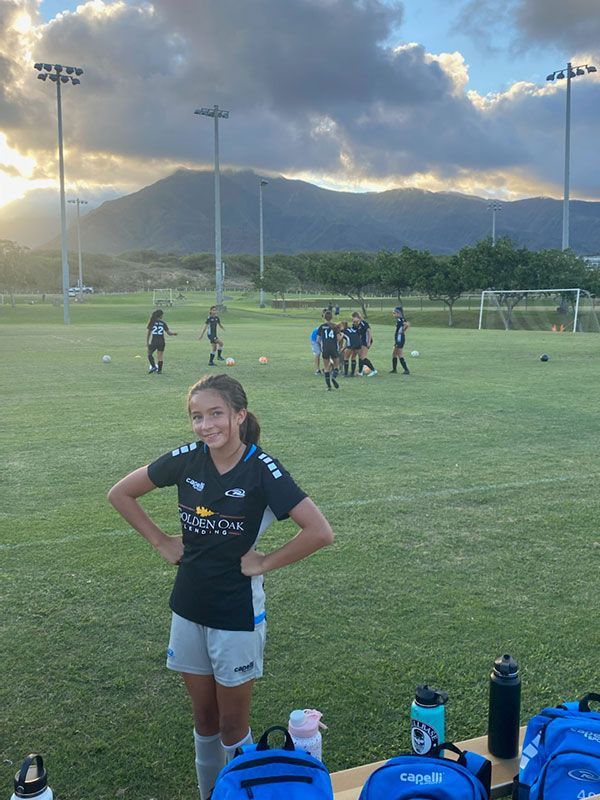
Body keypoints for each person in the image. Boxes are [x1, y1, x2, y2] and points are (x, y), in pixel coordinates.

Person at [107, 374, 333, 800]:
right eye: (197, 416)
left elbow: (319, 531)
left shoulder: (262, 468)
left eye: (215, 414)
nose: (205, 425)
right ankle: (210, 794)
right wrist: (161, 540)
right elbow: (120, 493)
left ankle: (238, 793)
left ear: (238, 416)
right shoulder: (188, 458)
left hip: (235, 614)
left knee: (232, 725)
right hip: (188, 606)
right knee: (204, 719)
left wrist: (264, 561)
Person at [147, 308, 177, 373]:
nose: (163, 316)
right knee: (160, 356)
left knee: (149, 354)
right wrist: (174, 333)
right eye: (162, 315)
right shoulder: (163, 323)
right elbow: (169, 333)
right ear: (160, 315)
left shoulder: (152, 322)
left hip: (154, 341)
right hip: (161, 342)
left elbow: (149, 333)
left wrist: (147, 342)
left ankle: (154, 366)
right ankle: (159, 371)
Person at [317, 311, 341, 390]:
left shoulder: (321, 327)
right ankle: (333, 377)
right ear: (332, 317)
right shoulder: (335, 326)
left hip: (325, 348)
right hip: (334, 348)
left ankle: (329, 387)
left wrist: (321, 346)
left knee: (326, 368)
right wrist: (342, 336)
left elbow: (318, 340)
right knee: (336, 366)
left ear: (324, 317)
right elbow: (338, 339)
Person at [351, 311, 377, 377]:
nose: (353, 319)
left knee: (362, 357)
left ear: (357, 317)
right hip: (361, 341)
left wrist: (368, 342)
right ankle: (361, 371)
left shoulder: (363, 323)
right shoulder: (354, 324)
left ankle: (373, 370)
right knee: (361, 356)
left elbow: (369, 332)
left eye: (353, 318)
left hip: (366, 341)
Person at [390, 306, 411, 374]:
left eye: (394, 313)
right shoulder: (401, 319)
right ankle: (394, 369)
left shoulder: (400, 320)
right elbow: (406, 324)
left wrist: (403, 329)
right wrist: (403, 329)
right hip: (398, 338)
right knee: (394, 354)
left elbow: (407, 324)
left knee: (399, 354)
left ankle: (406, 370)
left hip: (400, 339)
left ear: (399, 313)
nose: (393, 314)